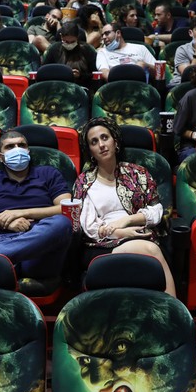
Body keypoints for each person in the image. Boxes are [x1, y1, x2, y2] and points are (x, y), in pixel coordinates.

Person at [0, 130, 73, 284]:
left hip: (40, 246)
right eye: (10, 147)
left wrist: (20, 213)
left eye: (21, 145)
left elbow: (66, 209)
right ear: (0, 157)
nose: (17, 149)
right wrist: (1, 219)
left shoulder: (49, 173)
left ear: (28, 151)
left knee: (62, 223)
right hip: (1, 239)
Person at [73, 117, 176, 296]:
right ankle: (172, 307)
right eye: (94, 142)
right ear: (90, 150)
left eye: (105, 138)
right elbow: (89, 227)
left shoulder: (138, 173)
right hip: (100, 244)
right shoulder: (84, 182)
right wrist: (121, 232)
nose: (101, 145)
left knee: (150, 247)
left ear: (115, 141)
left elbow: (157, 210)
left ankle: (169, 308)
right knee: (150, 250)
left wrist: (127, 220)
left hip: (141, 232)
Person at [42, 20, 99, 91]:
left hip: (81, 88)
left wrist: (80, 76)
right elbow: (44, 72)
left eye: (72, 42)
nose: (69, 44)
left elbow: (95, 75)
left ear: (77, 37)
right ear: (61, 36)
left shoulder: (87, 49)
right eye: (66, 41)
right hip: (57, 87)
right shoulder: (54, 49)